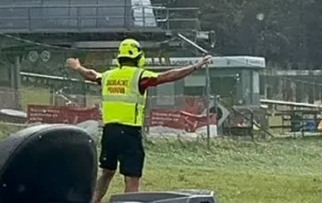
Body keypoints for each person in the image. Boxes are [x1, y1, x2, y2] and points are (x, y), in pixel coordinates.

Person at [66, 39, 212, 203]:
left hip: (109, 132)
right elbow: (168, 76)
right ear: (138, 57)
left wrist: (78, 67)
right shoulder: (139, 76)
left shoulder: (108, 76)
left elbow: (92, 75)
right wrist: (195, 66)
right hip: (129, 133)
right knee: (132, 178)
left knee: (106, 173)